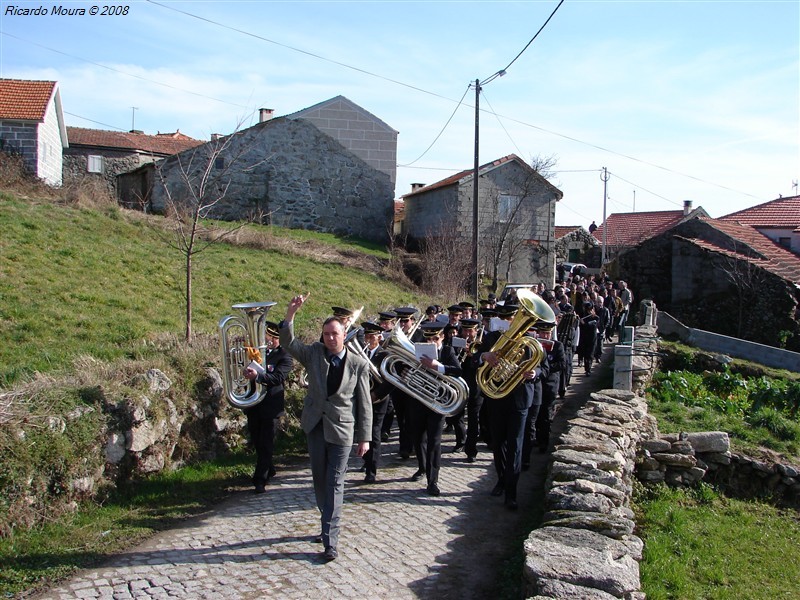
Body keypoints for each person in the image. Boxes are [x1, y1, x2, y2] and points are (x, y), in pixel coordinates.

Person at [279, 293, 372, 562]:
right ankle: (326, 521)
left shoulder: (358, 364)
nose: (330, 338)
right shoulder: (314, 354)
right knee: (319, 479)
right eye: (326, 334)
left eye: (335, 333)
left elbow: (364, 403)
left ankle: (330, 540)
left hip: (343, 431)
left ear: (345, 334)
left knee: (335, 482)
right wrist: (290, 314)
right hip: (316, 426)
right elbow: (289, 343)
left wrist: (364, 438)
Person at [473, 303, 539, 510]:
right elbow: (475, 358)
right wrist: (484, 357)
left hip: (519, 400)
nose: (510, 323)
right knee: (497, 442)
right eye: (507, 319)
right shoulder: (492, 338)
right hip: (497, 398)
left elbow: (543, 367)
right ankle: (501, 479)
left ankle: (512, 492)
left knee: (515, 446)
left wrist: (535, 374)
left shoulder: (530, 341)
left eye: (513, 319)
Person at [408, 321, 463, 496]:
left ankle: (433, 481)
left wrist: (437, 366)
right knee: (418, 437)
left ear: (442, 337)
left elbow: (458, 370)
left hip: (439, 402)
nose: (432, 341)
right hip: (418, 400)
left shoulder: (447, 351)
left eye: (435, 338)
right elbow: (404, 367)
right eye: (429, 338)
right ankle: (422, 468)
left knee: (435, 441)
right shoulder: (417, 351)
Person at [242, 321, 294, 494]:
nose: (270, 341)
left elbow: (278, 377)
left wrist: (258, 376)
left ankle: (260, 480)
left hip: (271, 405)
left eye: (273, 338)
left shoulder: (284, 356)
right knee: (256, 441)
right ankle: (269, 467)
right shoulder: (255, 353)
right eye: (268, 337)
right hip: (254, 404)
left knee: (266, 443)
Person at [360, 321, 393, 483]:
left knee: (374, 433)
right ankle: (366, 461)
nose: (368, 339)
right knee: (363, 431)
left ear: (379, 337)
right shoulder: (360, 353)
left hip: (379, 399)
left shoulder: (385, 355)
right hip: (362, 397)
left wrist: (375, 394)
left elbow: (389, 380)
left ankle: (371, 471)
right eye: (366, 336)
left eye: (371, 336)